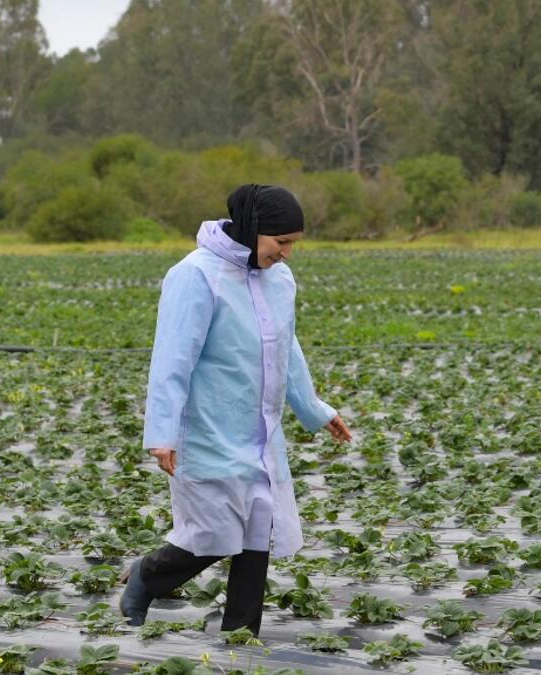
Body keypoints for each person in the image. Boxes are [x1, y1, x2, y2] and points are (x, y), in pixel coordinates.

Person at [119, 183, 352, 635]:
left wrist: (315, 409)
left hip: (259, 430)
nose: (287, 253)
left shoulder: (279, 279)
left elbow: (287, 347)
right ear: (252, 229)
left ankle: (241, 635)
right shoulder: (196, 275)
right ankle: (147, 577)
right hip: (206, 426)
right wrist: (162, 433)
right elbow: (172, 358)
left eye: (293, 244)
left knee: (256, 532)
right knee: (211, 532)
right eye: (280, 242)